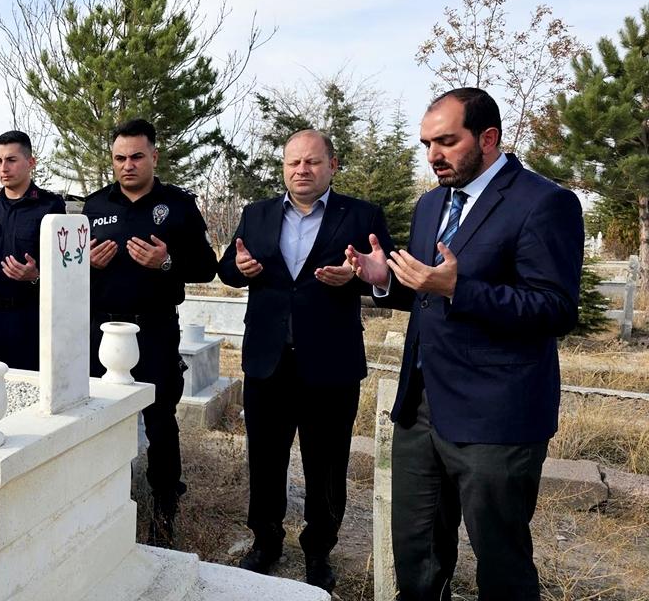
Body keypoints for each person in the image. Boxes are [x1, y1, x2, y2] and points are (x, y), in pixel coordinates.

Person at [348, 88, 583, 601]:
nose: (433, 155)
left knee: (500, 562)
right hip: (421, 409)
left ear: (488, 138)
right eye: (427, 144)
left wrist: (459, 288)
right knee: (417, 557)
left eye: (447, 142)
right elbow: (428, 294)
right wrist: (384, 280)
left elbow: (556, 309)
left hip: (495, 418)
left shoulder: (544, 202)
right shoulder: (432, 203)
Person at [218, 129, 394, 592]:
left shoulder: (362, 216)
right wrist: (241, 269)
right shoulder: (256, 214)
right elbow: (228, 268)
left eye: (312, 162)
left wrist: (358, 278)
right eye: (293, 162)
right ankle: (266, 542)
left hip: (330, 364)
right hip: (268, 361)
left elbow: (387, 275)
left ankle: (319, 550)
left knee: (327, 464)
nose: (302, 170)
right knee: (265, 459)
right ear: (284, 167)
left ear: (332, 165)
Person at [83, 118, 217, 547]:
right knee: (101, 416)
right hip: (102, 329)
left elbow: (207, 267)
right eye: (120, 158)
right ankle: (104, 500)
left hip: (154, 327)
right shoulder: (93, 205)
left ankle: (164, 509)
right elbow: (70, 267)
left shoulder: (178, 204)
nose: (128, 165)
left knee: (159, 420)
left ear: (154, 157)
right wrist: (87, 263)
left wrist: (166, 262)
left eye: (137, 156)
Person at [0, 131, 66, 371]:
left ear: (31, 162)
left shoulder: (50, 206)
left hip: (31, 316)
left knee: (31, 384)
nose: (4, 168)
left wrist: (36, 276)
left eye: (11, 160)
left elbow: (65, 267)